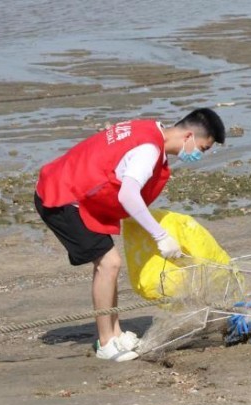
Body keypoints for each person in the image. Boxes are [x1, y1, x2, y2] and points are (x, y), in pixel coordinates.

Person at [34, 108, 225, 361]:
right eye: (203, 148)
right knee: (109, 263)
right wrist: (160, 236)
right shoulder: (148, 151)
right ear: (189, 135)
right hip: (62, 197)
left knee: (108, 263)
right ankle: (106, 343)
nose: (199, 155)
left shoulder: (149, 129)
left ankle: (115, 333)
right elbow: (128, 195)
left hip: (72, 187)